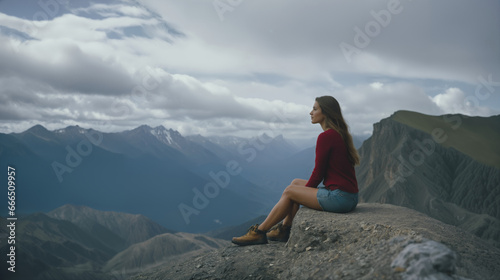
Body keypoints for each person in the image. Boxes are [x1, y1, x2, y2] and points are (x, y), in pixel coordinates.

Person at [232, 96, 360, 246]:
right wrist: (302, 192)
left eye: (315, 108)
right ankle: (285, 229)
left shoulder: (326, 137)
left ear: (325, 112)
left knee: (290, 191)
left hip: (340, 198)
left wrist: (300, 194)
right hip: (349, 197)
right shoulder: (339, 134)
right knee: (295, 183)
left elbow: (318, 173)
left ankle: (259, 232)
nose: (310, 112)